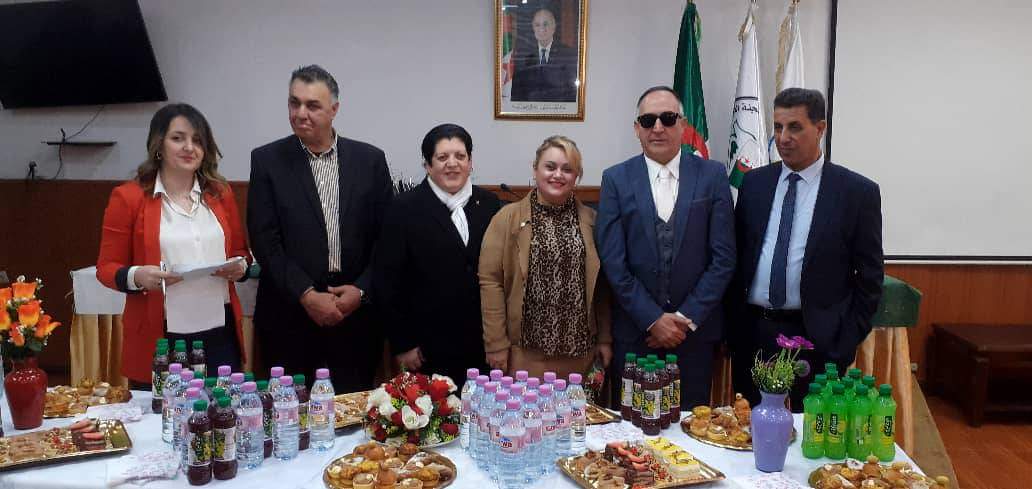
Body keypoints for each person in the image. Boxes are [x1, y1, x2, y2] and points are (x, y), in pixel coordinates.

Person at [727, 88, 883, 410]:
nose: (783, 137)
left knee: (810, 433)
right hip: (754, 334)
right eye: (778, 127)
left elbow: (870, 277)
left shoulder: (856, 193)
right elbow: (737, 258)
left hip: (817, 339)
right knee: (750, 430)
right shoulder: (755, 184)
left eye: (795, 127)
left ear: (820, 128)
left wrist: (844, 340)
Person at [247, 65, 393, 393]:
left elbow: (387, 240)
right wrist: (306, 294)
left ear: (334, 110)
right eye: (294, 103)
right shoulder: (267, 160)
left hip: (355, 318)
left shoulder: (369, 160)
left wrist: (361, 291)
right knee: (290, 414)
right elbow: (265, 240)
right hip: (289, 315)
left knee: (351, 414)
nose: (301, 113)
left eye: (312, 105)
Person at [596, 86, 736, 410]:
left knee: (690, 430)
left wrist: (684, 319)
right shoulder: (615, 179)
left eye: (668, 118)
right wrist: (653, 319)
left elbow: (724, 258)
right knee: (632, 430)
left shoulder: (713, 175)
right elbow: (614, 262)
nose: (657, 128)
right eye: (648, 120)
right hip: (636, 336)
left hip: (693, 338)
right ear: (637, 129)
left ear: (683, 125)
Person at [97, 103, 250, 385]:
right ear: (159, 145)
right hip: (162, 334)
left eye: (197, 140)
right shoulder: (128, 197)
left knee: (222, 409)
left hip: (219, 331)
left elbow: (241, 253)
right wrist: (138, 276)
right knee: (163, 411)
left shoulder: (220, 193)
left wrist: (240, 267)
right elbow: (106, 268)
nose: (189, 147)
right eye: (178, 138)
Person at [374, 124, 501, 384]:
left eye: (460, 156)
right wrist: (403, 343)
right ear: (427, 165)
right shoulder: (403, 208)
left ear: (470, 162)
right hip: (426, 348)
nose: (452, 164)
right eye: (442, 157)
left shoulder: (489, 204)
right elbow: (388, 282)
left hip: (483, 344)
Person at [480, 135, 612, 379]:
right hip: (524, 356)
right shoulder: (506, 219)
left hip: (580, 356)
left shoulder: (592, 221)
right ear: (535, 169)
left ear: (577, 176)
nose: (558, 175)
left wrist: (604, 338)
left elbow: (602, 287)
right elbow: (490, 281)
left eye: (567, 169)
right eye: (550, 167)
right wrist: (495, 343)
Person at [510, 6, 578, 103]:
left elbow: (572, 92)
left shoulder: (567, 54)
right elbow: (517, 92)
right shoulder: (524, 54)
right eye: (537, 25)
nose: (541, 29)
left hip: (558, 110)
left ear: (553, 26)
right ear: (533, 28)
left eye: (546, 24)